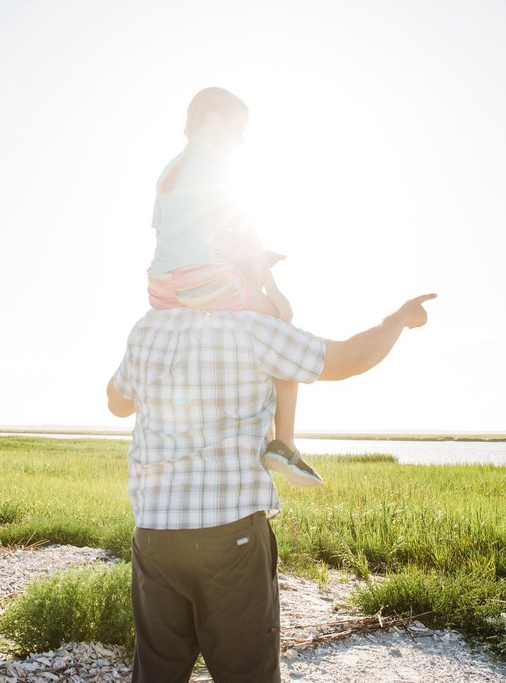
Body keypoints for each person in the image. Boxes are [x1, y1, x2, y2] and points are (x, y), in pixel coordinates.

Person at [106, 292, 437, 683]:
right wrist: (398, 318)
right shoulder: (253, 328)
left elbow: (117, 403)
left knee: (156, 673)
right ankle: (287, 444)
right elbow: (352, 358)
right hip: (229, 536)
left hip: (154, 531)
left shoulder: (149, 328)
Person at [145, 87, 321, 487]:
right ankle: (285, 443)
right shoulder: (218, 163)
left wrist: (236, 267)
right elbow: (245, 231)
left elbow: (177, 239)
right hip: (201, 282)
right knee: (282, 323)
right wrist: (271, 289)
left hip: (160, 288)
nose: (241, 140)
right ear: (214, 120)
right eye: (238, 128)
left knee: (238, 290)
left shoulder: (170, 170)